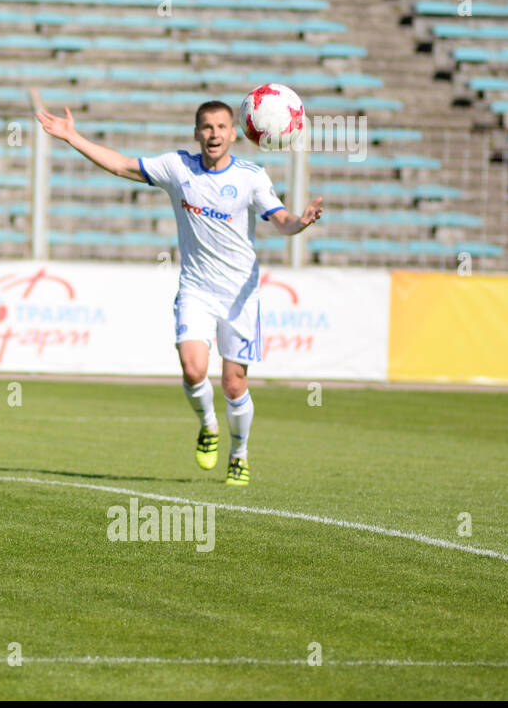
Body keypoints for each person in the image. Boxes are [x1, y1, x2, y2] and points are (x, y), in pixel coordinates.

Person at [36, 101, 322, 486]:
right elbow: (121, 165)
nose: (214, 134)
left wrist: (301, 222)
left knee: (234, 384)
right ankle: (208, 425)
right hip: (196, 289)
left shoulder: (252, 177)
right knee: (192, 369)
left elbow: (282, 220)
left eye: (221, 127)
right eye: (206, 127)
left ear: (235, 133)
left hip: (239, 295)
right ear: (196, 133)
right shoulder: (177, 168)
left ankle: (239, 454)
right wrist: (72, 136)